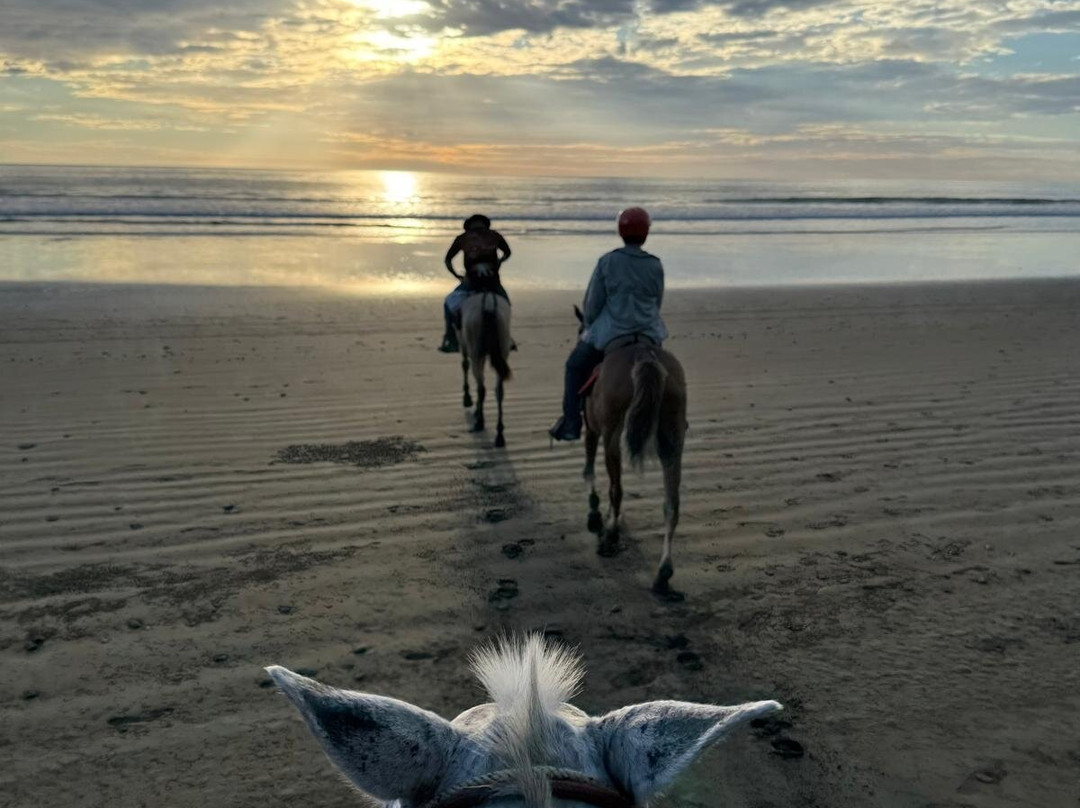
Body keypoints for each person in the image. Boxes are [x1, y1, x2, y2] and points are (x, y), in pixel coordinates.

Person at [549, 206, 667, 441]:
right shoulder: (655, 264)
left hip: (613, 334)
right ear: (646, 233)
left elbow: (592, 305)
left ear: (620, 232)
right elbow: (657, 302)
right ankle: (672, 419)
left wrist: (589, 325)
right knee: (663, 373)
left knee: (574, 366)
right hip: (648, 334)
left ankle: (572, 422)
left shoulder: (607, 261)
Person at [439, 214, 512, 353]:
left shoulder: (462, 238)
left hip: (471, 282)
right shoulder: (495, 236)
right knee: (506, 304)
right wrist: (500, 262)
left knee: (448, 304)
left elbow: (448, 260)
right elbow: (508, 253)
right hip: (493, 282)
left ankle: (451, 339)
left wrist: (456, 275)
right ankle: (507, 338)